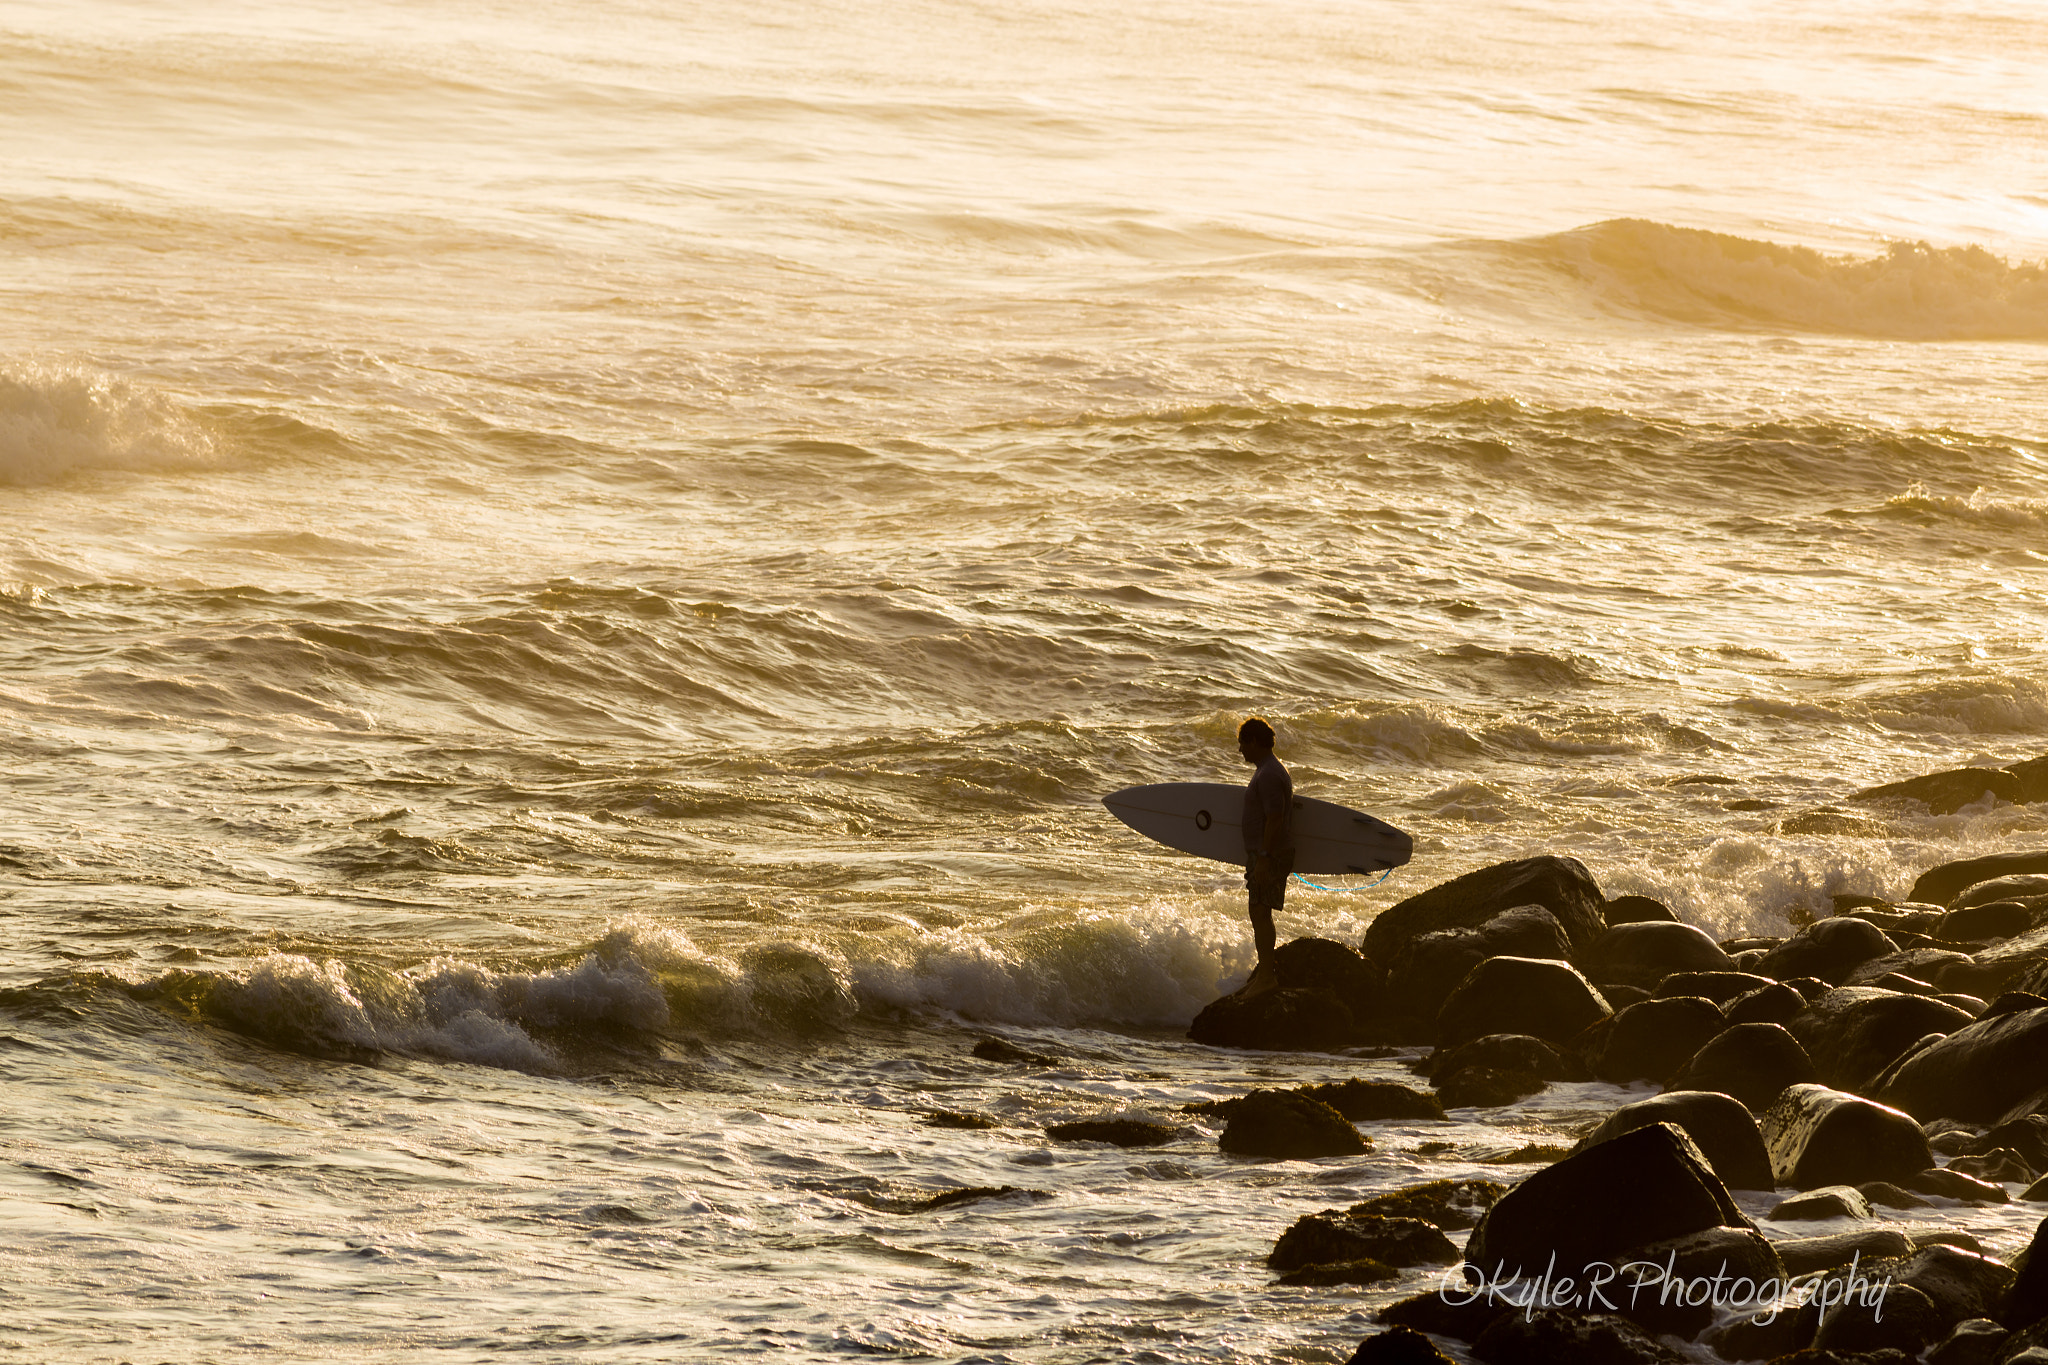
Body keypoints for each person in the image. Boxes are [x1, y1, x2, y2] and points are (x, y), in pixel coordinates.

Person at [1237, 716, 1294, 968]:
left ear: (1254, 741)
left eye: (1242, 743)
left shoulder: (1269, 773)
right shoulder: (1268, 769)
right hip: (1264, 854)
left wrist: (1263, 858)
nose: (1240, 749)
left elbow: (1275, 818)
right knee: (1259, 913)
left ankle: (1267, 975)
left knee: (1260, 913)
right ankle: (1265, 971)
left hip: (1268, 855)